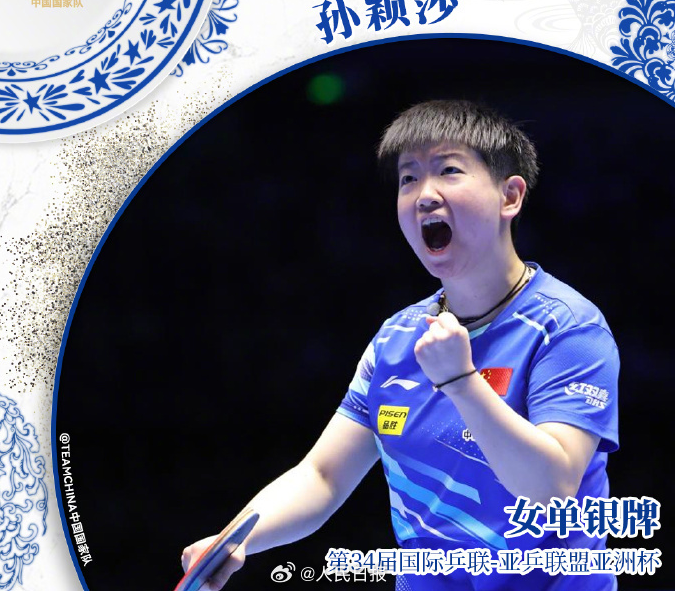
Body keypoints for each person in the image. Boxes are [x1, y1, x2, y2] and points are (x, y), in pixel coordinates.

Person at [181, 100, 619, 590]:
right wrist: (235, 539)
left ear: (510, 196)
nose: (424, 195)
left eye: (448, 171)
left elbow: (552, 492)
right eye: (408, 178)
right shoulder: (395, 338)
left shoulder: (569, 328)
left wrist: (461, 381)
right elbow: (322, 477)